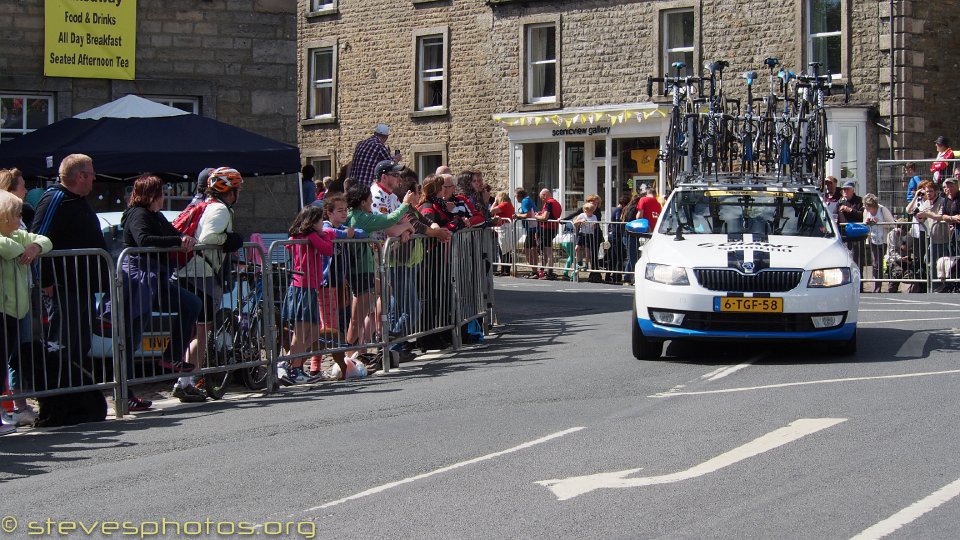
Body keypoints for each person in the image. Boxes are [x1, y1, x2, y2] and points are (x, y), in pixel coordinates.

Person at [119, 175, 203, 410]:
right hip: (139, 280)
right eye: (161, 193)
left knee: (191, 304)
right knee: (131, 338)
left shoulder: (155, 215)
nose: (164, 197)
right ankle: (125, 394)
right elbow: (144, 238)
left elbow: (173, 232)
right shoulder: (138, 214)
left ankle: (171, 355)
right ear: (152, 195)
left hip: (156, 278)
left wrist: (184, 238)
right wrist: (178, 239)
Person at [31, 154, 109, 393]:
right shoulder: (55, 198)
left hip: (83, 286)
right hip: (63, 286)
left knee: (79, 344)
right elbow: (37, 240)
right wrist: (45, 282)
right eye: (92, 174)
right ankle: (57, 394)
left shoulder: (78, 200)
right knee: (62, 344)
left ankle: (76, 393)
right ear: (80, 176)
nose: (95, 178)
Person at [175, 167, 245, 402]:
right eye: (238, 189)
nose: (239, 193)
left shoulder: (205, 205)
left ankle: (186, 380)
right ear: (231, 191)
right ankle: (186, 381)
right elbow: (208, 239)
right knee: (202, 331)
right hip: (202, 273)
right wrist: (230, 240)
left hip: (194, 271)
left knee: (198, 330)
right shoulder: (220, 209)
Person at [344, 183, 415, 363]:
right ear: (362, 202)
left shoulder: (359, 215)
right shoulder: (360, 218)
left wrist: (405, 226)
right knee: (357, 318)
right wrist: (405, 204)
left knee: (383, 293)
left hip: (363, 269)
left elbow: (387, 222)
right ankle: (349, 356)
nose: (371, 202)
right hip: (360, 271)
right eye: (369, 200)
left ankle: (372, 338)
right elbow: (389, 220)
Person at [0, 190, 51, 432]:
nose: (20, 217)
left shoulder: (17, 234)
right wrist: (24, 249)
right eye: (15, 213)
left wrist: (34, 247)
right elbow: (8, 248)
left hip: (13, 311)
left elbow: (45, 240)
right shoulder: (10, 238)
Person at [280, 205, 338, 384]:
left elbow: (329, 237)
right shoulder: (309, 236)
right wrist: (323, 236)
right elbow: (327, 250)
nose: (323, 223)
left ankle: (288, 362)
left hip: (310, 287)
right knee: (300, 330)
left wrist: (325, 234)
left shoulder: (307, 236)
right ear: (312, 222)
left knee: (313, 332)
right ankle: (294, 368)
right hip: (302, 286)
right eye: (320, 220)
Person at [907, 180, 945, 284]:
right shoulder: (926, 203)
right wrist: (918, 216)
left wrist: (926, 214)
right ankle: (932, 286)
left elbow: (940, 217)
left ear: (936, 191)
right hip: (930, 238)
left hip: (942, 238)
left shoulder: (942, 201)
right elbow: (911, 212)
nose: (928, 193)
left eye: (930, 191)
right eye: (927, 191)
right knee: (929, 262)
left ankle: (941, 285)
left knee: (941, 264)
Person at [862, 193, 895, 293]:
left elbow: (892, 223)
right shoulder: (865, 211)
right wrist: (867, 222)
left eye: (867, 206)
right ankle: (876, 286)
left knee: (880, 263)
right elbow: (864, 223)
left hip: (883, 240)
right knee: (875, 263)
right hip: (873, 239)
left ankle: (879, 286)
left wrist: (879, 222)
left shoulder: (882, 209)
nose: (865, 207)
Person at [348, 124, 394, 188]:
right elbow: (391, 165)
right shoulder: (380, 146)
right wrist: (396, 158)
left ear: (375, 133)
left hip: (353, 186)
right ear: (386, 137)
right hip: (366, 186)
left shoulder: (360, 144)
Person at [534, 188, 562, 280]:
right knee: (546, 252)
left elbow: (545, 217)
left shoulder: (549, 203)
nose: (542, 200)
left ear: (545, 195)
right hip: (552, 229)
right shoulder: (557, 203)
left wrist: (536, 216)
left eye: (542, 198)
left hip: (547, 229)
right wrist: (541, 213)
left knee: (548, 252)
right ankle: (543, 271)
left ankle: (549, 272)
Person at [513, 188, 538, 278]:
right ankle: (535, 271)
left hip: (532, 228)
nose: (515, 198)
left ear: (519, 195)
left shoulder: (525, 201)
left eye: (515, 196)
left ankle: (535, 271)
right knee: (532, 250)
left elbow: (528, 215)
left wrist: (517, 216)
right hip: (533, 228)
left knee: (528, 251)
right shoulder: (528, 199)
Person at [574, 202, 600, 279]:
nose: (586, 212)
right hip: (582, 233)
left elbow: (595, 227)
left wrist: (594, 225)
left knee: (587, 251)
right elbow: (575, 222)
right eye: (585, 210)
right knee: (577, 248)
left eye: (589, 210)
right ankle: (579, 263)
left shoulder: (594, 217)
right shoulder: (582, 215)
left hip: (589, 234)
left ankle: (586, 264)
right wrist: (580, 221)